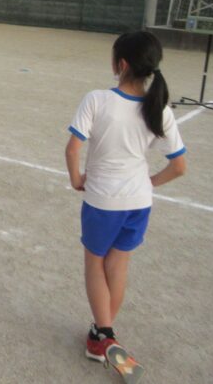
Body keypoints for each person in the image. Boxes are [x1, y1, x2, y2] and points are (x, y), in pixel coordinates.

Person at [65, 31, 186, 365]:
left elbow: (73, 148)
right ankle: (100, 334)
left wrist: (76, 179)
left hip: (103, 200)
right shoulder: (159, 109)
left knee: (94, 263)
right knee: (118, 265)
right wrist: (148, 183)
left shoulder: (97, 99)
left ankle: (104, 334)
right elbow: (179, 166)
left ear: (120, 64)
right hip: (139, 202)